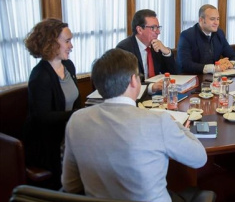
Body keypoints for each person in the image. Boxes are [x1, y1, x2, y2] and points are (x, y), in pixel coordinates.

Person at [61, 49, 207, 202]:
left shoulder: (76, 121)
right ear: (133, 81)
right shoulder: (159, 121)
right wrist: (178, 125)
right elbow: (199, 158)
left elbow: (70, 185)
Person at [23, 18, 80, 189]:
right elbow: (43, 117)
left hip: (67, 133)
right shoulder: (40, 76)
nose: (71, 46)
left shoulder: (69, 66)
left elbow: (74, 103)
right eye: (67, 41)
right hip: (48, 143)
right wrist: (77, 115)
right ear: (51, 43)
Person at [116, 9, 176, 94]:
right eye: (153, 28)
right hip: (136, 99)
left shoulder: (155, 45)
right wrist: (151, 87)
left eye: (158, 27)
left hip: (158, 97)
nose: (158, 32)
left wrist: (166, 52)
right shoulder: (124, 49)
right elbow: (126, 84)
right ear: (140, 30)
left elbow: (173, 73)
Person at [177, 4, 235, 74]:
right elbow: (185, 64)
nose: (216, 23)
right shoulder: (187, 35)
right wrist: (214, 68)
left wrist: (231, 64)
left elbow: (234, 56)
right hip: (193, 79)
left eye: (218, 19)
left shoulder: (219, 33)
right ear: (201, 20)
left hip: (214, 78)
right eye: (212, 19)